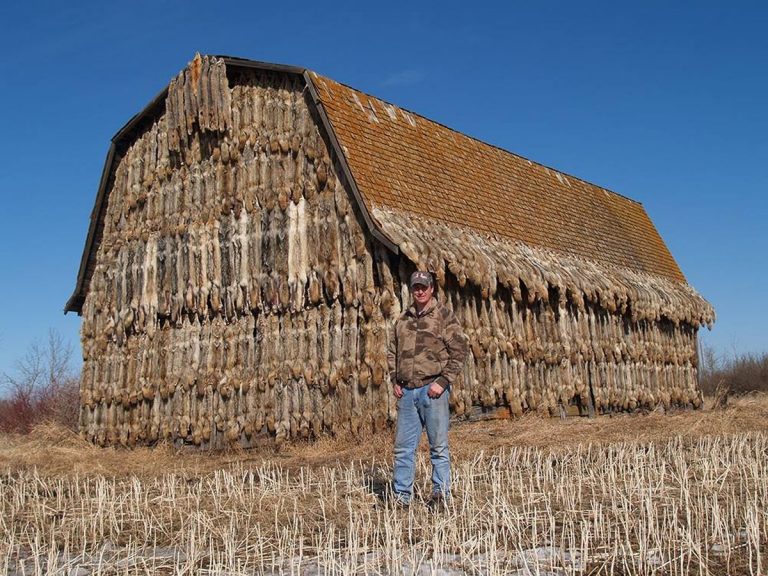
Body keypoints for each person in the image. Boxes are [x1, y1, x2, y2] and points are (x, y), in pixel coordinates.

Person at [387, 270, 468, 507]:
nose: (420, 291)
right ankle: (402, 497)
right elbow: (392, 352)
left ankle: (440, 494)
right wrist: (395, 379)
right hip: (407, 392)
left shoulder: (444, 316)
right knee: (403, 449)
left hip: (433, 391)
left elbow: (459, 351)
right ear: (411, 290)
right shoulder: (402, 320)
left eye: (424, 286)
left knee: (438, 447)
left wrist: (442, 382)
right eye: (416, 287)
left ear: (432, 288)